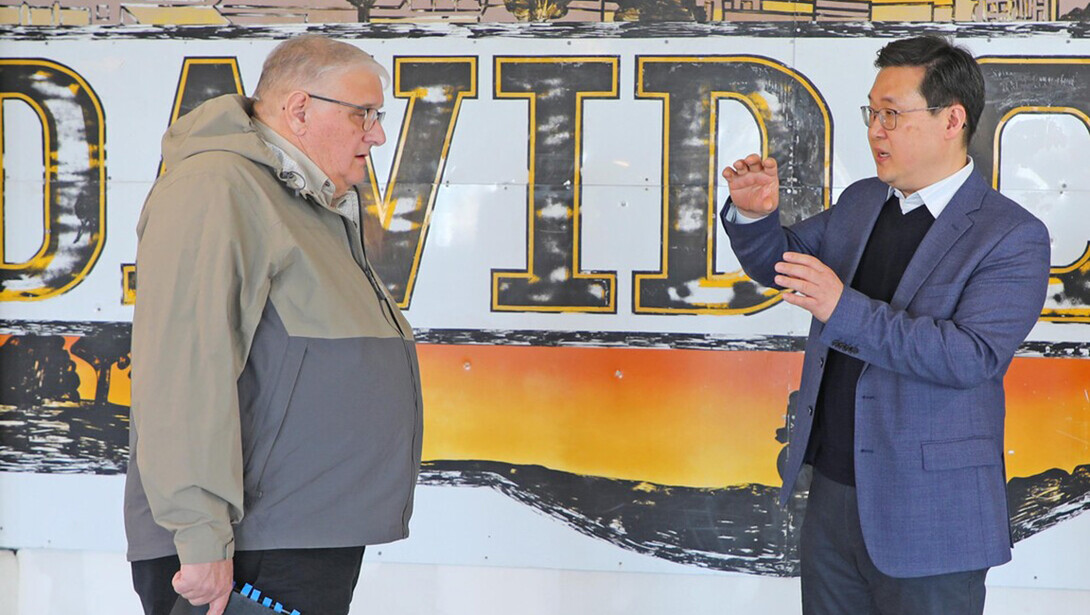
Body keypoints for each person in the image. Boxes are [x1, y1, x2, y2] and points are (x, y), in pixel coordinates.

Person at [720, 36, 1050, 614]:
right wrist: (754, 216)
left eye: (892, 114)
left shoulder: (1010, 235)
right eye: (872, 113)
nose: (876, 130)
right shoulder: (862, 201)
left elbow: (969, 357)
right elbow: (786, 267)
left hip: (933, 511)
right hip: (834, 494)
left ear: (952, 120)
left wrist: (841, 307)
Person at [124, 35, 423, 615]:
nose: (377, 135)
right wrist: (201, 536)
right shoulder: (217, 188)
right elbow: (183, 371)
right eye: (363, 114)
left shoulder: (304, 200)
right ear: (299, 109)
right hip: (248, 547)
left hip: (296, 534)